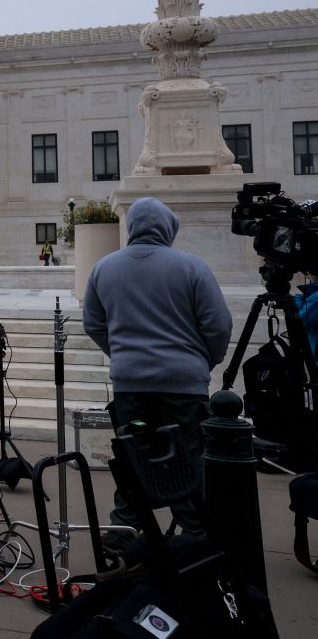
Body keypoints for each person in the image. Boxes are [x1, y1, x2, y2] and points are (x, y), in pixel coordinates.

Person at [82, 197, 232, 546]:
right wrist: (203, 360)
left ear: (131, 226)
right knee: (188, 457)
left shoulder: (104, 268)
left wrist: (120, 353)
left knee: (133, 454)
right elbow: (218, 324)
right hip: (183, 384)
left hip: (130, 384)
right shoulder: (192, 267)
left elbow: (93, 322)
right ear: (169, 228)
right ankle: (195, 532)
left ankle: (125, 527)